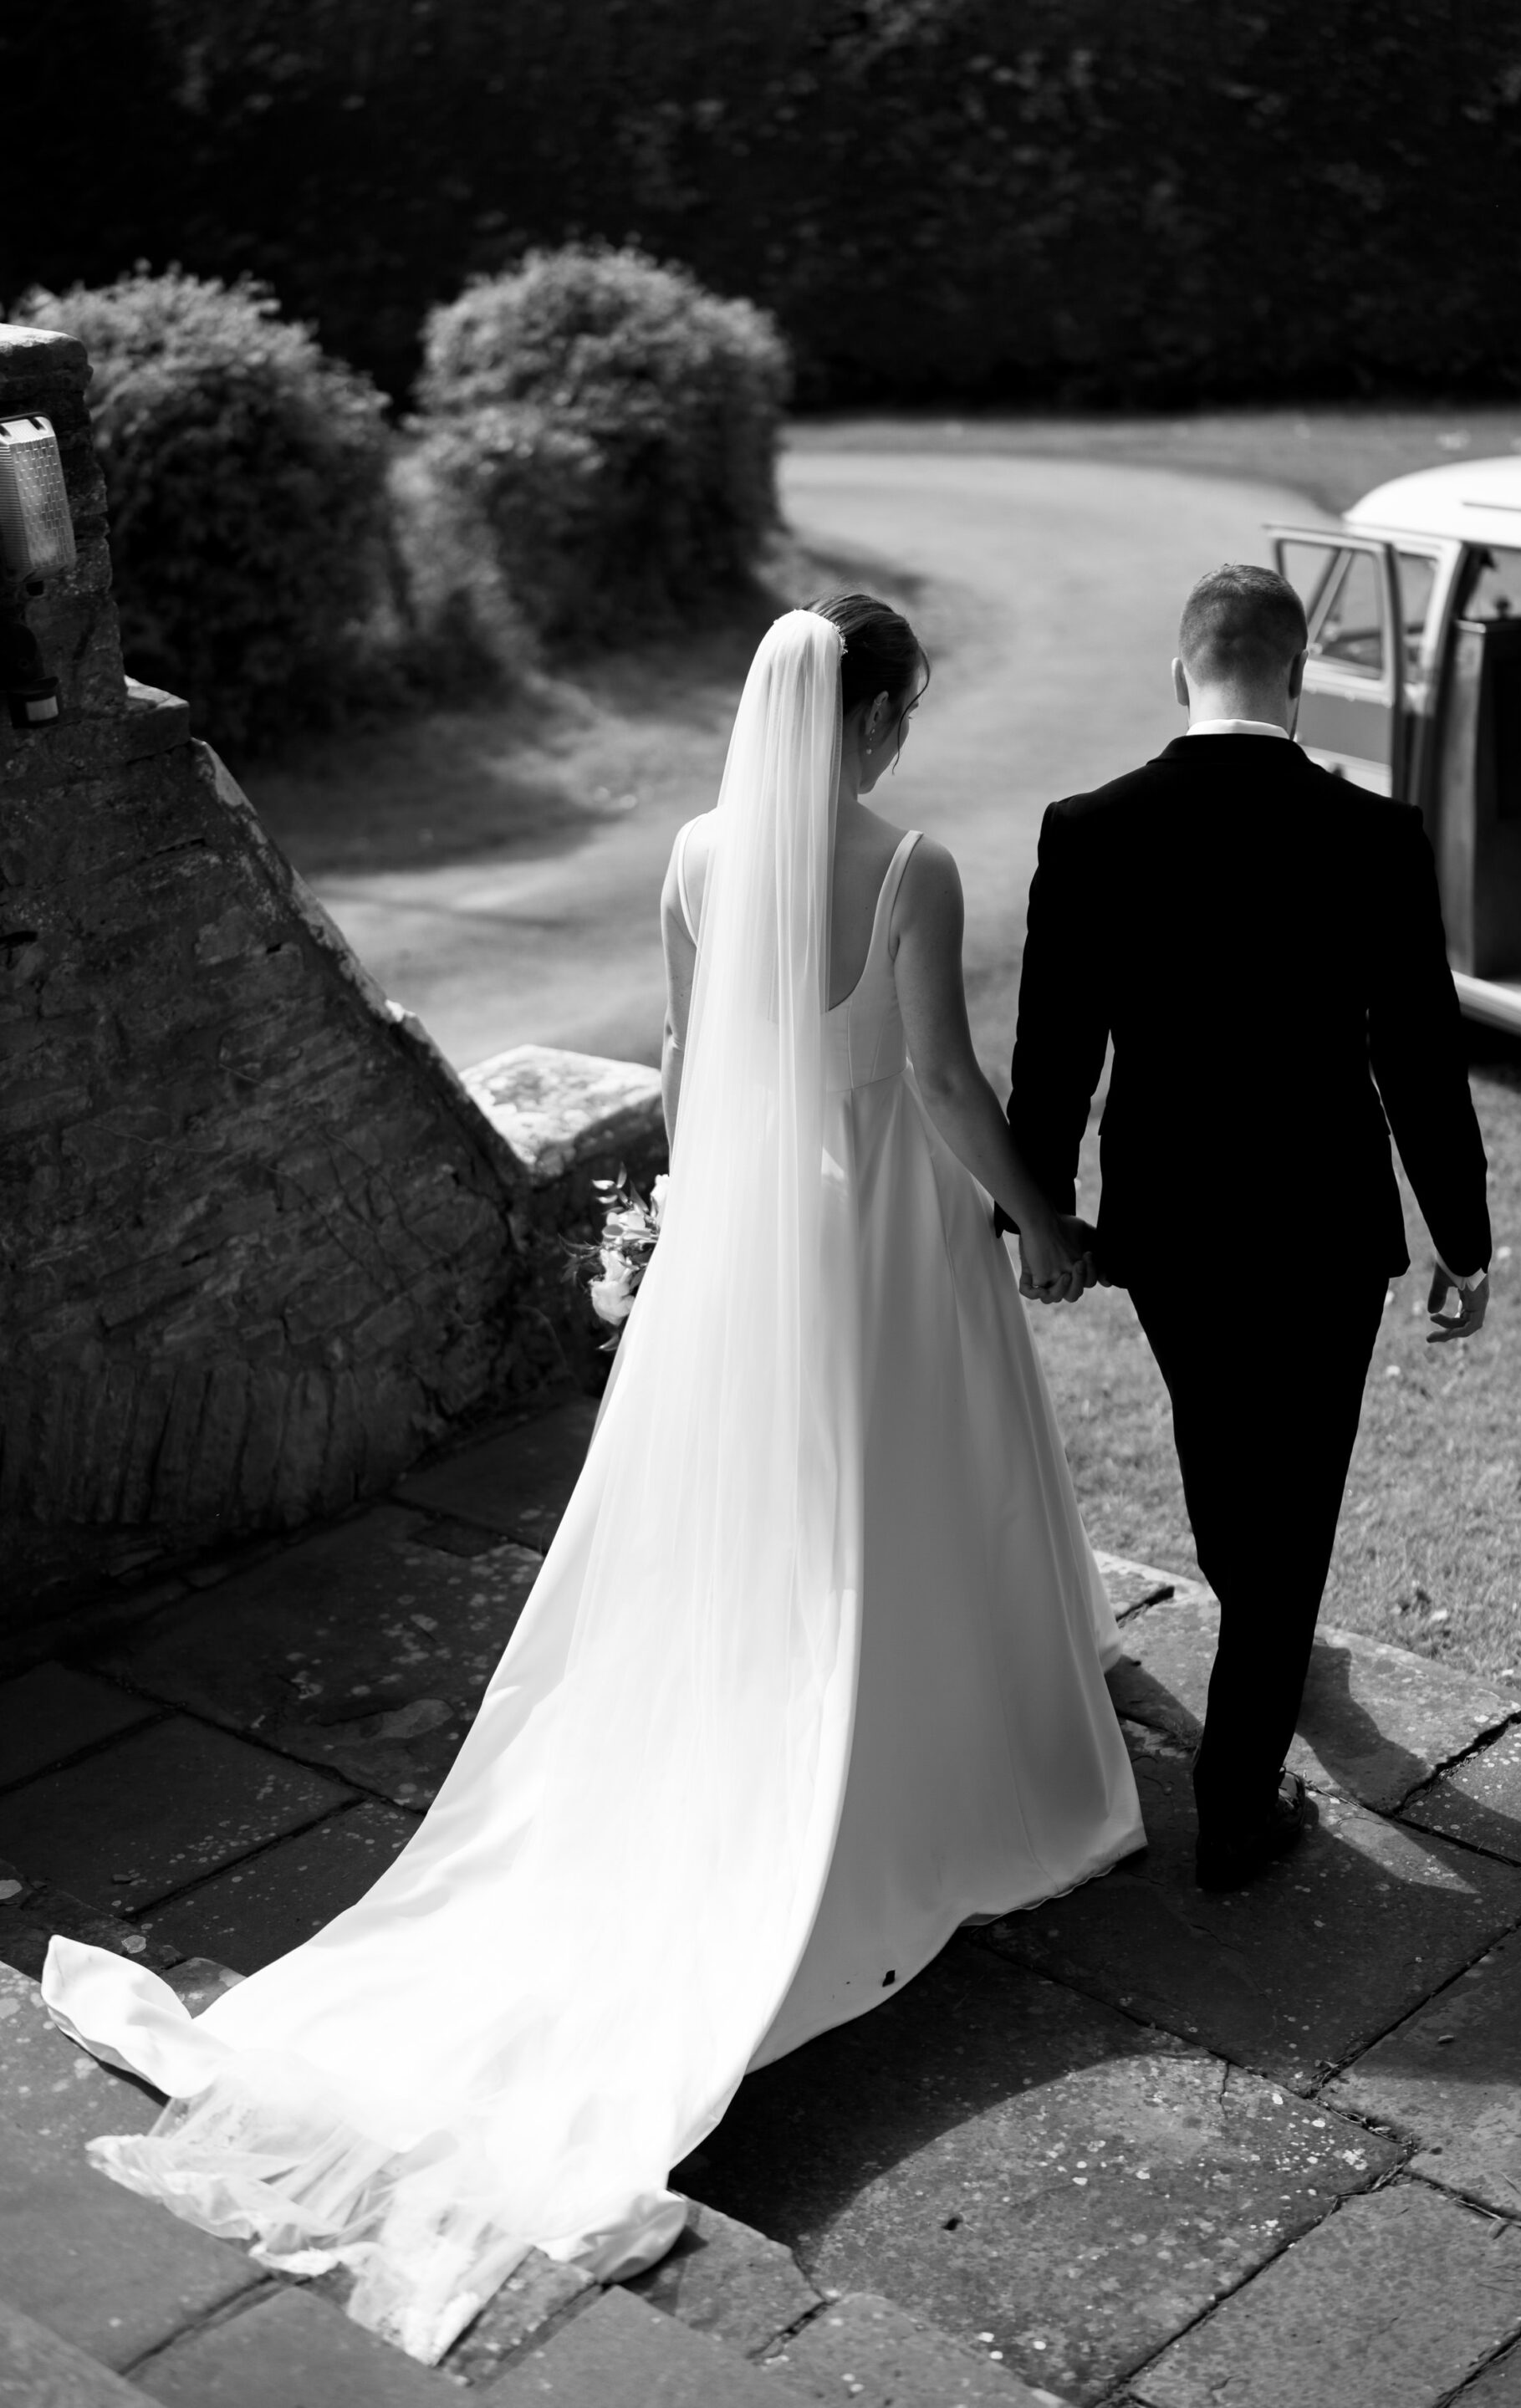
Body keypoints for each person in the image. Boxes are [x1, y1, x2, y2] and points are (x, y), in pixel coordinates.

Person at [43, 598, 1143, 2362]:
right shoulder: (912, 867)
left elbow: (698, 1065)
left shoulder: (704, 853)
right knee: (901, 1493)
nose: (904, 736)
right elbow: (939, 1081)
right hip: (875, 1249)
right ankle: (907, 1761)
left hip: (751, 1242)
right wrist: (1048, 1219)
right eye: (903, 708)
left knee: (780, 1511)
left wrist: (697, 1236)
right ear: (867, 713)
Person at [1001, 561, 1491, 1895]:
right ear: (1298, 676)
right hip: (1326, 1226)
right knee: (1292, 1504)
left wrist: (1040, 1213)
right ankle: (1235, 1802)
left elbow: (1055, 1053)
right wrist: (1463, 1231)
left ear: (1183, 671)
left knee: (1229, 1470)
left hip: (1168, 1228)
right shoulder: (1375, 834)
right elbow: (1422, 1056)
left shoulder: (1092, 828)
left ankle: (1261, 1654)